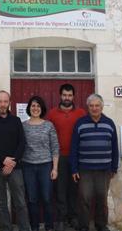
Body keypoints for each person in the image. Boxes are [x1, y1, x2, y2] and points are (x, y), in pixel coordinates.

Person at [0, 90, 31, 231]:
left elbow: (22, 144)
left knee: (20, 202)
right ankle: (6, 228)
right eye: (0, 101)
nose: (2, 104)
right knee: (1, 203)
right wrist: (4, 160)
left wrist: (12, 162)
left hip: (15, 168)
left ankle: (25, 228)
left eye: (5, 101)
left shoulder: (16, 121)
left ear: (10, 102)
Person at [69, 94, 119, 231]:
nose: (94, 108)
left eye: (97, 105)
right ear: (88, 107)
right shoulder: (80, 123)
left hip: (104, 170)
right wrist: (74, 169)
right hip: (85, 170)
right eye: (91, 106)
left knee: (102, 200)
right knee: (84, 199)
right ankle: (84, 226)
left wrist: (114, 167)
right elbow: (73, 147)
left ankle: (101, 226)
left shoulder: (109, 123)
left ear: (102, 107)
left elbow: (115, 147)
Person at [47, 84, 86, 231]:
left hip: (77, 157)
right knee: (60, 189)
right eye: (64, 95)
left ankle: (73, 218)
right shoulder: (52, 114)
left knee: (75, 189)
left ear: (73, 96)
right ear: (60, 95)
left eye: (69, 95)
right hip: (59, 157)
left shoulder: (81, 113)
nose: (67, 98)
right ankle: (62, 219)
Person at [22, 96, 59, 231]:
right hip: (28, 166)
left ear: (42, 108)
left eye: (38, 106)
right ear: (29, 108)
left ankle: (49, 227)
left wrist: (55, 168)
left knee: (47, 198)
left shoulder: (49, 125)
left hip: (45, 166)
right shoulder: (23, 126)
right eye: (33, 106)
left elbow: (55, 147)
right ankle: (34, 227)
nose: (35, 108)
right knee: (32, 199)